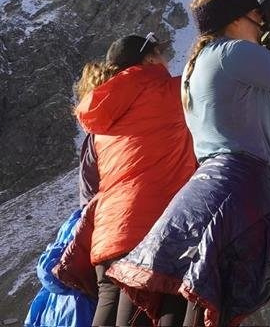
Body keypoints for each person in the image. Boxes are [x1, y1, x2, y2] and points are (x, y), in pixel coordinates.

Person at [109, 0, 270, 326]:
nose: (261, 24)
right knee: (211, 299)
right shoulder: (233, 53)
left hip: (207, 186)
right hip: (240, 186)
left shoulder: (200, 62)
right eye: (258, 17)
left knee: (184, 293)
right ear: (236, 18)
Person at [75, 35, 197, 326]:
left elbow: (89, 185)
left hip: (107, 236)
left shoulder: (103, 114)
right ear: (150, 59)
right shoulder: (170, 91)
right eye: (161, 53)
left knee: (108, 306)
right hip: (151, 232)